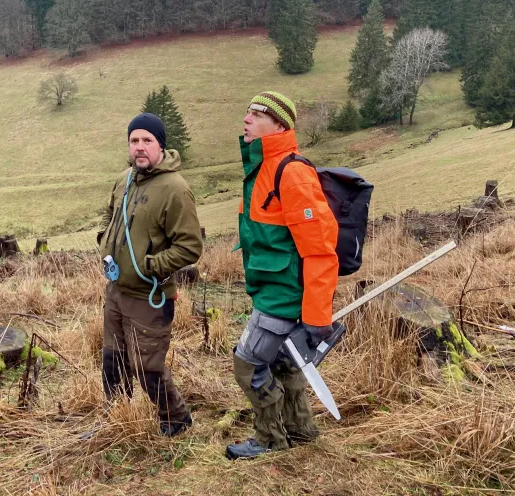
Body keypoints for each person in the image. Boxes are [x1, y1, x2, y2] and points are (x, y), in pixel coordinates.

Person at [226, 91, 339, 460]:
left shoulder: (292, 173)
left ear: (279, 125)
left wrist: (318, 317)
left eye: (256, 114)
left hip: (284, 292)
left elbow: (320, 248)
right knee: (284, 363)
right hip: (271, 286)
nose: (246, 119)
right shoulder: (260, 168)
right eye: (248, 111)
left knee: (248, 362)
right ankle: (300, 430)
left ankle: (270, 438)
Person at [97, 112, 203, 437]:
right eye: (134, 141)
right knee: (113, 361)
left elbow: (190, 246)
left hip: (150, 296)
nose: (139, 147)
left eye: (147, 141)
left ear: (160, 146)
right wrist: (104, 239)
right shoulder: (124, 179)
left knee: (148, 366)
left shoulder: (175, 189)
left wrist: (150, 267)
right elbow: (108, 213)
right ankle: (118, 417)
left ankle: (176, 418)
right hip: (116, 291)